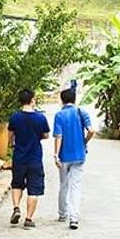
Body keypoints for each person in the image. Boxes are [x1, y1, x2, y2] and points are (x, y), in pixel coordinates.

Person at [7, 89, 50, 229]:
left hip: (19, 157)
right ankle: (29, 219)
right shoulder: (40, 118)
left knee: (17, 184)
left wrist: (11, 145)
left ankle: (16, 208)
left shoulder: (14, 117)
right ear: (32, 100)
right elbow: (46, 135)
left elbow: (10, 136)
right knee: (34, 189)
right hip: (35, 158)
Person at [53, 88, 95, 230]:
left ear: (62, 100)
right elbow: (92, 130)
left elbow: (58, 136)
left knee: (63, 185)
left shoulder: (59, 115)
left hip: (64, 156)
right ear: (74, 99)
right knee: (75, 187)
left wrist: (56, 154)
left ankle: (62, 214)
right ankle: (74, 218)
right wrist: (84, 142)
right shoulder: (81, 112)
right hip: (79, 155)